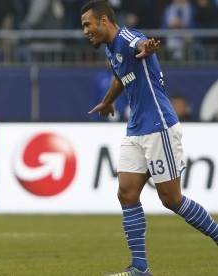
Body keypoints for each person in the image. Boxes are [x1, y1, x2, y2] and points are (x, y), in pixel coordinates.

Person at [81, 1, 218, 275]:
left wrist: (148, 48)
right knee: (127, 193)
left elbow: (140, 44)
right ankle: (140, 269)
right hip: (136, 130)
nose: (85, 30)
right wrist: (108, 101)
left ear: (104, 20)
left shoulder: (126, 37)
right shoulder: (110, 48)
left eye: (88, 24)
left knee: (171, 199)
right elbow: (121, 76)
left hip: (158, 126)